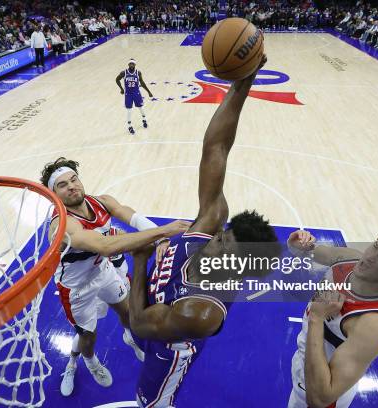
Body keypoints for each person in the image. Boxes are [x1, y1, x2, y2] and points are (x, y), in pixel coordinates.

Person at [128, 56, 280, 408]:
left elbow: (138, 323)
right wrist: (244, 80)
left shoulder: (199, 312)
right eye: (224, 239)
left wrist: (140, 261)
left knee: (151, 403)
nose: (216, 246)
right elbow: (216, 148)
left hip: (171, 344)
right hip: (162, 311)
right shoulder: (211, 221)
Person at [42, 157, 190, 396]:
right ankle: (89, 363)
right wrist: (164, 230)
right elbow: (105, 246)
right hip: (77, 287)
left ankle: (130, 338)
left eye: (74, 179)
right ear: (54, 195)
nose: (72, 186)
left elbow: (130, 215)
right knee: (88, 335)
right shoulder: (63, 224)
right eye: (62, 185)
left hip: (104, 270)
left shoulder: (101, 201)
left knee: (128, 311)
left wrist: (160, 237)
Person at [286, 226, 378, 408]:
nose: (370, 257)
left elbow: (321, 400)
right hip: (305, 362)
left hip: (318, 389)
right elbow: (306, 251)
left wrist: (316, 318)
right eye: (376, 246)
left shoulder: (376, 323)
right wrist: (298, 245)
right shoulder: (347, 259)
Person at [115, 59, 153, 135]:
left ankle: (144, 119)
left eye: (133, 64)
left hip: (136, 93)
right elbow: (117, 79)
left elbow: (142, 83)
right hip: (128, 94)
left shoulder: (138, 73)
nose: (131, 65)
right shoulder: (124, 73)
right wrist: (121, 89)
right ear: (128, 64)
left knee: (140, 107)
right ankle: (129, 126)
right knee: (129, 110)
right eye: (130, 64)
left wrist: (148, 91)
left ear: (135, 65)